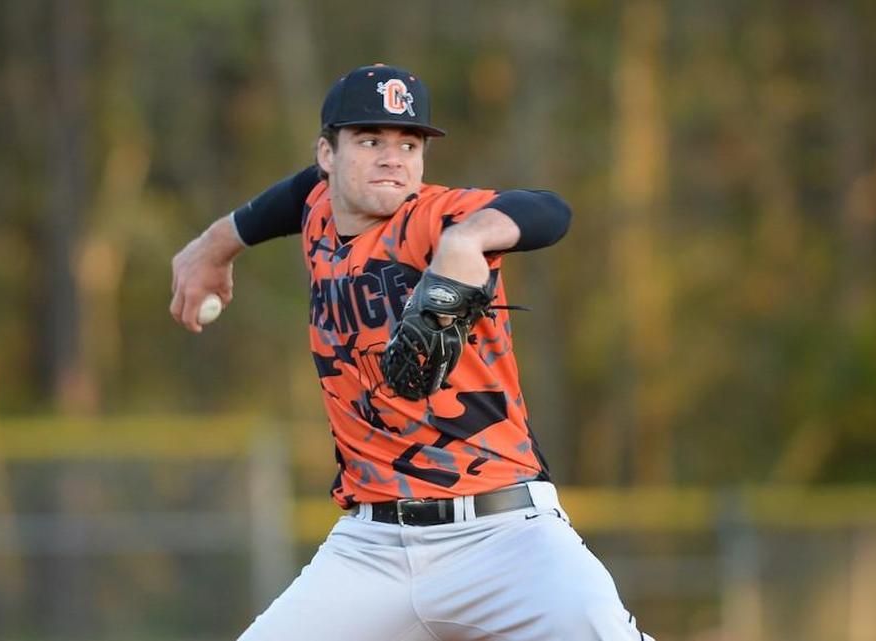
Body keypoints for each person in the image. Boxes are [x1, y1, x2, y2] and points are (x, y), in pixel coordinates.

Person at [171, 63, 653, 641]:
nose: (392, 157)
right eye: (370, 140)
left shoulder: (438, 216)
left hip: (503, 535)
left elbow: (549, 210)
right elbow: (290, 198)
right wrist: (212, 247)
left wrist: (467, 240)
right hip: (371, 547)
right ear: (326, 154)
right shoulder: (320, 209)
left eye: (408, 143)